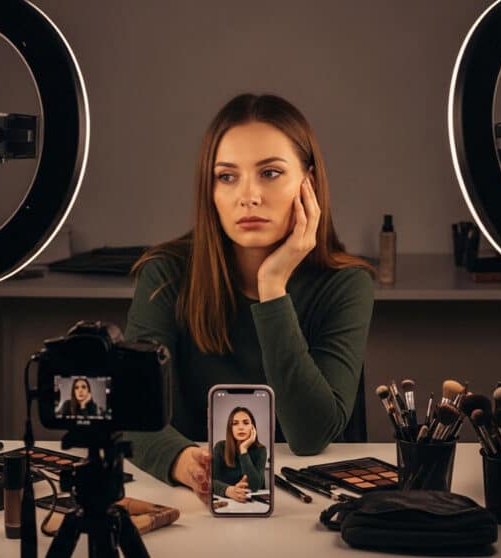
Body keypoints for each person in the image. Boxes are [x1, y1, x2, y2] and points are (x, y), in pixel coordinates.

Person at [123, 93, 375, 503]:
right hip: (195, 501)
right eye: (227, 176)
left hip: (308, 509)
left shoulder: (345, 284)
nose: (248, 196)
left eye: (270, 173)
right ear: (210, 190)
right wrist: (183, 461)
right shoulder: (166, 273)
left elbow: (311, 436)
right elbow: (131, 409)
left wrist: (272, 286)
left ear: (308, 183)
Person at [211, 407, 267, 502]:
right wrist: (228, 490)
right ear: (230, 428)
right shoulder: (220, 447)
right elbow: (209, 481)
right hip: (226, 501)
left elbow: (255, 486)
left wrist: (243, 450)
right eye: (235, 423)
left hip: (252, 503)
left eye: (246, 423)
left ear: (252, 427)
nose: (241, 427)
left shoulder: (261, 450)